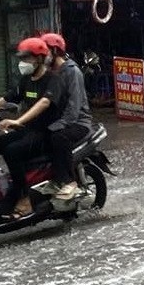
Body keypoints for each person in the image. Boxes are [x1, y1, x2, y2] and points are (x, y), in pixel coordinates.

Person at [0, 37, 59, 219]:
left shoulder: (52, 79)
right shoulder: (26, 80)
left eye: (27, 58)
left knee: (12, 151)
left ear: (39, 59)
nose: (23, 63)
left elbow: (44, 103)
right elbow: (7, 98)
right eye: (22, 59)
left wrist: (18, 121)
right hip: (28, 129)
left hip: (46, 132)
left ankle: (24, 198)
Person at [39, 32, 95, 202]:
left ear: (55, 51)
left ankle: (67, 181)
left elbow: (74, 106)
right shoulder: (48, 72)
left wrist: (59, 124)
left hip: (78, 122)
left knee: (58, 137)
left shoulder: (72, 72)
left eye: (45, 51)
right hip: (59, 120)